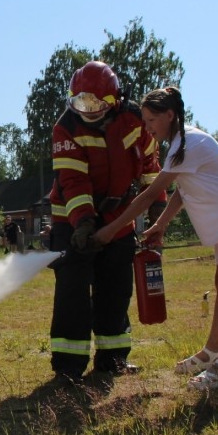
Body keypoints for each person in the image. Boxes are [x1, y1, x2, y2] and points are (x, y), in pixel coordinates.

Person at [94, 86, 218, 391]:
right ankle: (212, 352)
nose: (146, 128)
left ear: (169, 115)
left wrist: (110, 230)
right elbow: (181, 190)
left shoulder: (191, 142)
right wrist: (161, 224)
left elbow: (148, 196)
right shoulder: (178, 145)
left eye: (150, 121)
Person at [46, 61, 164, 383]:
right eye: (81, 103)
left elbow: (152, 164)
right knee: (72, 292)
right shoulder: (66, 128)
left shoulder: (136, 121)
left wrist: (157, 205)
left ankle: (113, 361)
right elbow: (72, 181)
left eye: (95, 103)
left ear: (113, 99)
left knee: (115, 290)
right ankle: (68, 369)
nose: (88, 110)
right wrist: (84, 223)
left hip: (119, 218)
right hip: (70, 218)